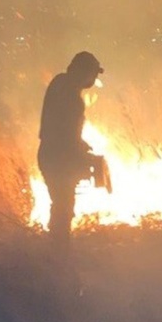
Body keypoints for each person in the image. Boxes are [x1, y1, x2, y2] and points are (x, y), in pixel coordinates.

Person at [37, 51, 104, 252]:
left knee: (61, 205)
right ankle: (58, 251)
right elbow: (63, 133)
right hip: (57, 158)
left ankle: (57, 248)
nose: (93, 80)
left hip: (51, 154)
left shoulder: (60, 84)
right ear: (83, 71)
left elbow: (61, 128)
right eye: (92, 74)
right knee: (63, 207)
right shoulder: (69, 94)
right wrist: (80, 154)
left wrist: (80, 145)